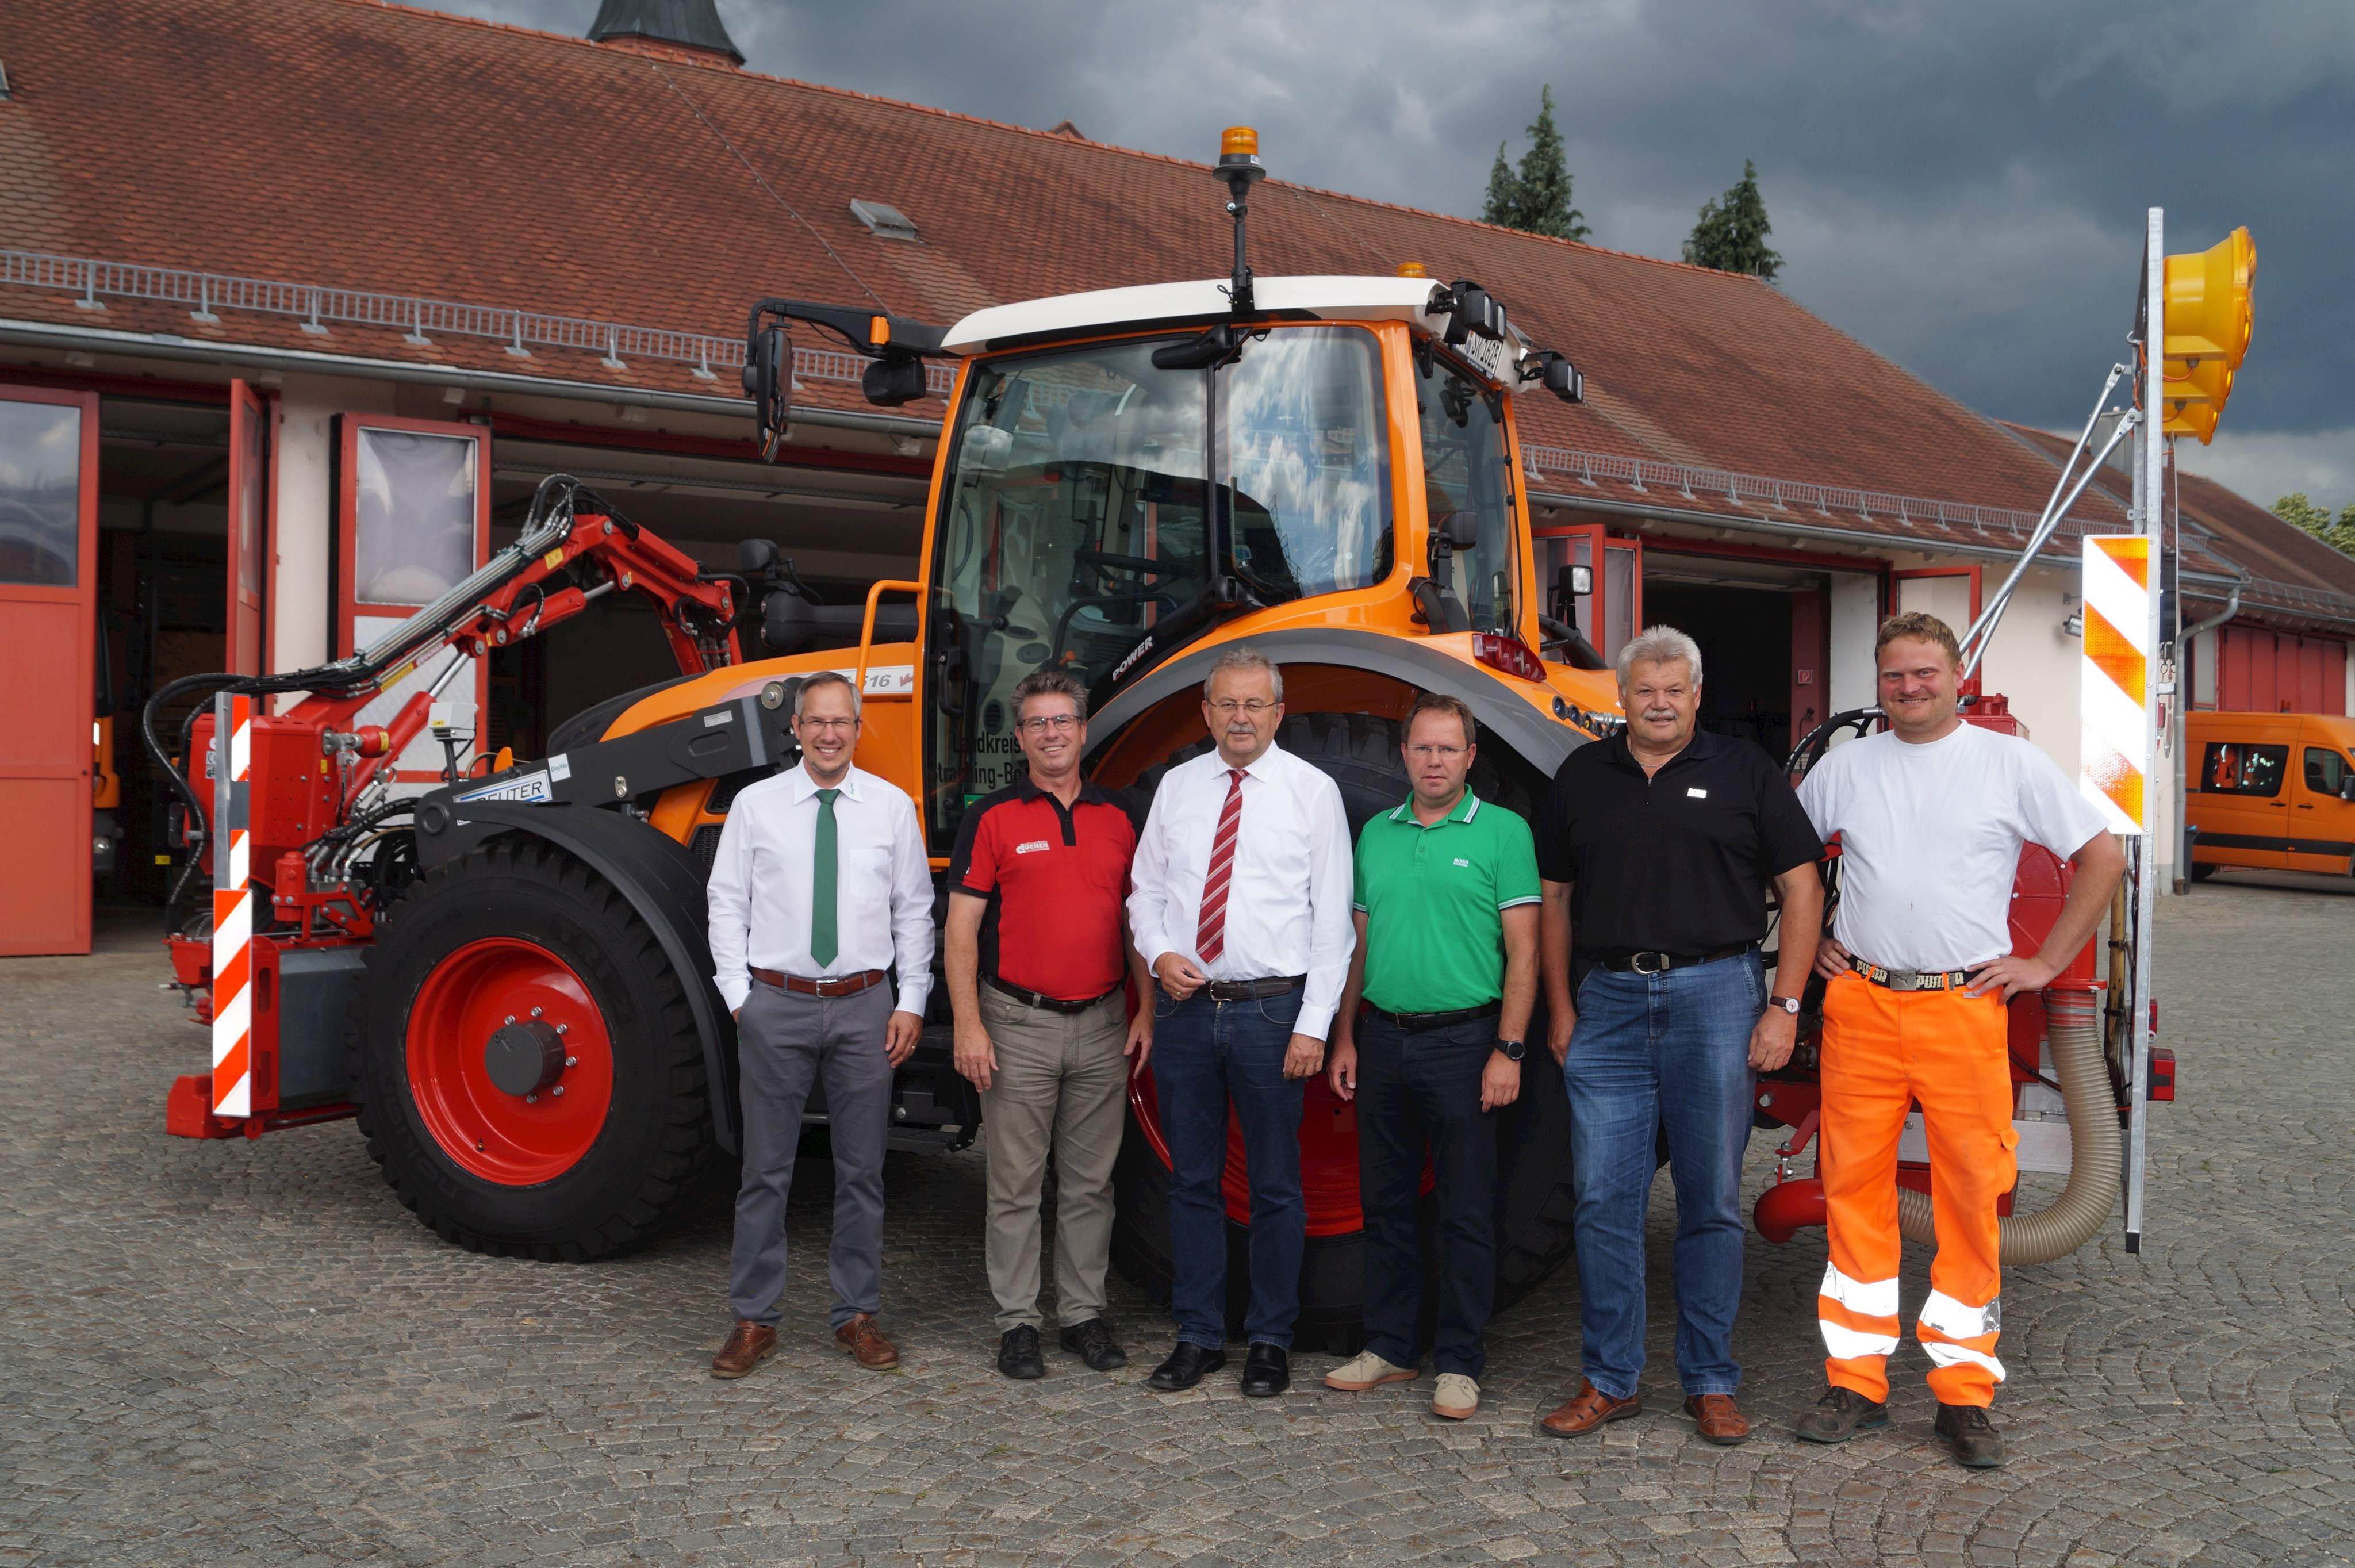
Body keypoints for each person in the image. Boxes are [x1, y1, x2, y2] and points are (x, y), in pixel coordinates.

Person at [1793, 612, 2122, 1469]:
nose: (1909, 688)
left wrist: (2046, 962)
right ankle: (1855, 1382)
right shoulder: (1846, 765)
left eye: (1924, 674)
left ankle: (1964, 1394)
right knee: (1853, 1188)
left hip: (1961, 1006)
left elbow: (2102, 855)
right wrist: (1814, 933)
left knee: (1973, 1199)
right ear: (1880, 682)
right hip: (1861, 1001)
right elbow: (1781, 852)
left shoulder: (2006, 762)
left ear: (1957, 673)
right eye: (1895, 676)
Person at [1535, 626, 1825, 1445]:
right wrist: (1561, 1009)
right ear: (1620, 697)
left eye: (1674, 688)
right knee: (1603, 1199)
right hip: (1610, 1002)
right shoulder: (1582, 775)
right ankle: (1611, 1377)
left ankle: (1710, 1379)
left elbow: (1803, 890)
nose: (1658, 702)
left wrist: (1786, 1004)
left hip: (1718, 997)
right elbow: (1553, 899)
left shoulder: (1745, 773)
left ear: (1698, 694)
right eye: (1643, 689)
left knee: (1709, 1200)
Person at [1126, 644, 1354, 1397]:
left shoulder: (1312, 791)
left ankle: (1269, 1338)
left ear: (1279, 712)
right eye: (1227, 703)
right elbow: (1145, 892)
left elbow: (1334, 923)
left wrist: (1313, 1025)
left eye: (1255, 703)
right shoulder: (1179, 788)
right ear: (1207, 711)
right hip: (1189, 1009)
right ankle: (1197, 1334)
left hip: (1272, 1010)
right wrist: (1159, 953)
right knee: (1192, 1181)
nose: (1241, 716)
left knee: (1276, 1185)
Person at [705, 670, 935, 1379]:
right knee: (764, 1172)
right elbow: (725, 902)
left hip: (867, 1005)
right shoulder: (755, 806)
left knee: (862, 1170)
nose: (830, 734)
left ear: (858, 730)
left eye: (842, 722)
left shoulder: (892, 809)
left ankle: (856, 1316)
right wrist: (740, 996)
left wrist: (911, 1000)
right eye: (816, 721)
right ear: (796, 729)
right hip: (776, 1002)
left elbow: (913, 911)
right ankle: (754, 1320)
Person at [1324, 692, 1540, 1422]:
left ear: (1471, 757)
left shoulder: (1504, 833)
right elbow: (1357, 947)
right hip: (1383, 1037)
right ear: (1404, 754)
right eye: (1422, 748)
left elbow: (1524, 953)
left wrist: (1507, 1049)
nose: (1435, 761)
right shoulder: (1376, 835)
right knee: (1384, 1204)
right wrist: (1346, 1035)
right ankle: (1389, 1348)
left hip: (1464, 1041)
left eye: (1449, 749)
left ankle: (1459, 1361)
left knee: (1465, 1210)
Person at [945, 670, 1153, 1381]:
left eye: (1062, 720)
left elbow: (1137, 923)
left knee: (1092, 1184)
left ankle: (1082, 1315)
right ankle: (1017, 1324)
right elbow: (962, 930)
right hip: (1016, 1024)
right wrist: (969, 1026)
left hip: (1101, 1023)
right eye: (1037, 723)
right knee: (1015, 1185)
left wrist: (1146, 1008)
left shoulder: (1121, 815)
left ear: (1084, 730)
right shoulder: (993, 816)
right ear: (1021, 737)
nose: (1051, 733)